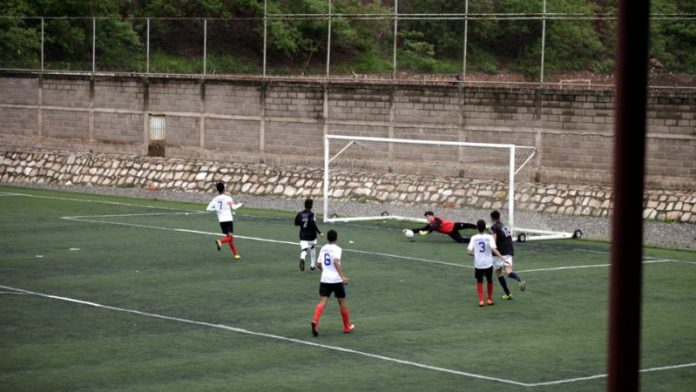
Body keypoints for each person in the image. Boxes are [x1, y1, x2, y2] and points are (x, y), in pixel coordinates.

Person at [311, 230, 354, 336]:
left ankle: (315, 321)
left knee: (322, 302)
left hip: (325, 279)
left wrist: (325, 271)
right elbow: (335, 261)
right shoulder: (338, 249)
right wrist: (342, 277)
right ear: (336, 238)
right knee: (342, 303)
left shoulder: (323, 248)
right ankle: (346, 327)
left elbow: (318, 264)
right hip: (336, 280)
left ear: (328, 238)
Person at [467, 219, 509, 307]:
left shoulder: (474, 238)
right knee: (489, 280)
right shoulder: (489, 237)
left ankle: (481, 301)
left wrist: (476, 253)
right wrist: (502, 258)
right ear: (485, 228)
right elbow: (494, 249)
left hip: (478, 264)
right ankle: (489, 299)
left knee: (479, 281)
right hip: (488, 263)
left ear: (477, 228)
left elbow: (469, 251)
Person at [490, 210, 526, 299]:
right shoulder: (505, 226)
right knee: (509, 272)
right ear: (499, 217)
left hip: (500, 253)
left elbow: (493, 241)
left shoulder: (494, 227)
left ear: (492, 218)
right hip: (509, 251)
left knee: (499, 273)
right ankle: (519, 278)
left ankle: (508, 294)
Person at [206, 181, 242, 260]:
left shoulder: (215, 199)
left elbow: (208, 208)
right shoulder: (228, 198)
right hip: (228, 219)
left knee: (230, 237)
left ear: (217, 190)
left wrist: (216, 209)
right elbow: (234, 207)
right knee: (230, 237)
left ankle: (236, 254)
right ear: (224, 188)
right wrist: (241, 204)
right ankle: (220, 242)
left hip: (221, 220)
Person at [407, 211, 477, 243]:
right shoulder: (430, 225)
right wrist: (410, 230)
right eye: (426, 217)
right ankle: (475, 239)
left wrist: (428, 232)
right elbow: (422, 229)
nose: (427, 218)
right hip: (451, 232)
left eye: (427, 217)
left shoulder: (437, 219)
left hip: (454, 226)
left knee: (468, 225)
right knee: (461, 240)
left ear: (432, 216)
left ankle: (480, 227)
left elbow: (435, 226)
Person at [294, 198, 322, 271]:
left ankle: (302, 258)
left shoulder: (300, 214)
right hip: (311, 236)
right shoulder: (312, 214)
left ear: (304, 205)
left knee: (304, 250)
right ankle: (312, 265)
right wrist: (319, 232)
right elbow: (313, 223)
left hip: (302, 235)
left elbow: (296, 223)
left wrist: (302, 223)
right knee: (313, 248)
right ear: (311, 206)